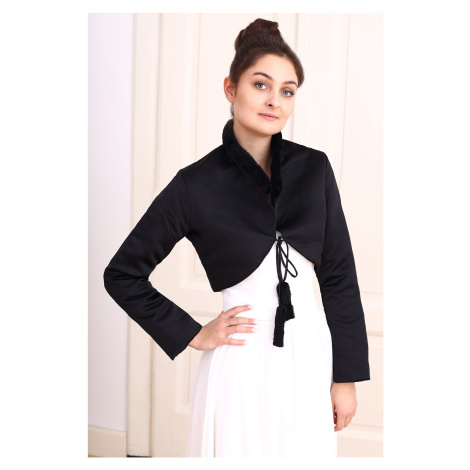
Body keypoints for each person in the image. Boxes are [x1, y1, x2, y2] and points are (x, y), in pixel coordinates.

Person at [103, 18, 370, 458]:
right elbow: (122, 274)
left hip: (309, 356)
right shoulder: (194, 185)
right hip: (239, 361)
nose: (274, 100)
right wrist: (193, 333)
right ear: (231, 89)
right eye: (261, 85)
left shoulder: (315, 169)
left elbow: (339, 278)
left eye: (287, 91)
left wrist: (346, 377)